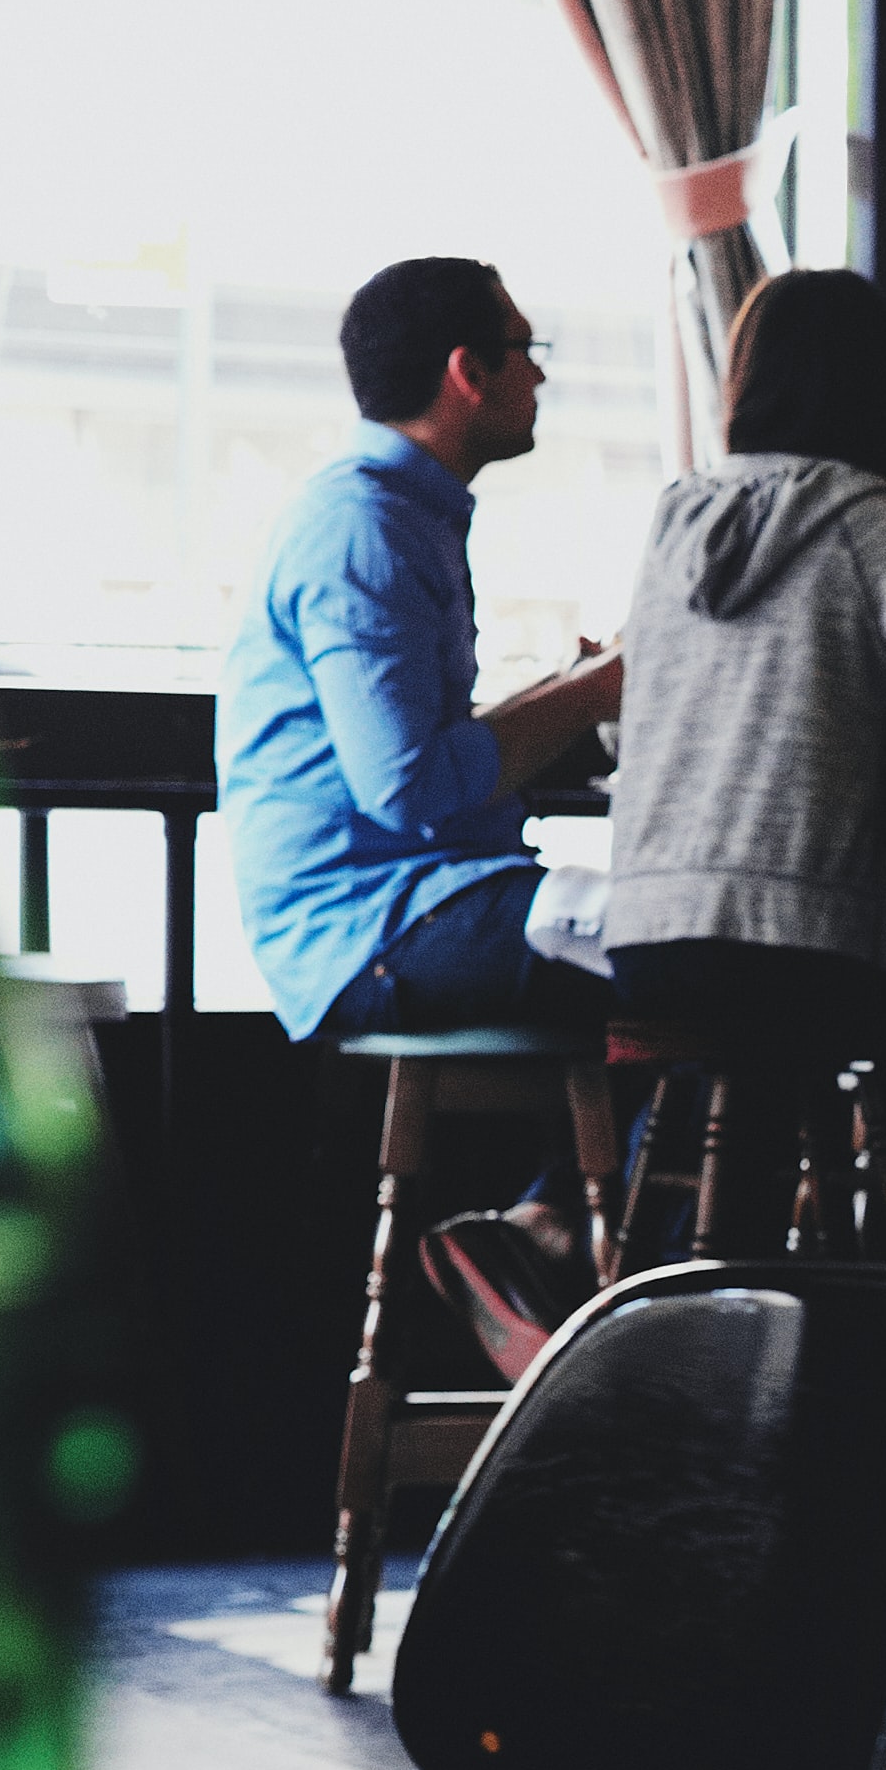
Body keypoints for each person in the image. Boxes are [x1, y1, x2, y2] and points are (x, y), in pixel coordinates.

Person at [219, 255, 622, 1365]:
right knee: (695, 948)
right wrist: (593, 695)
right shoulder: (365, 529)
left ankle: (541, 1235)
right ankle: (580, 1271)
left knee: (696, 945)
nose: (541, 381)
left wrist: (560, 695)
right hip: (373, 921)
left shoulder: (401, 512)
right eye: (528, 354)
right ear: (468, 373)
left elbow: (416, 760)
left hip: (408, 897)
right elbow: (403, 784)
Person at [600, 269, 886, 1254]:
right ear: (882, 390)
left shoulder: (672, 523)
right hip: (820, 951)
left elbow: (620, 727)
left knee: (759, 1052)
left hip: (650, 945)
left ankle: (684, 1311)